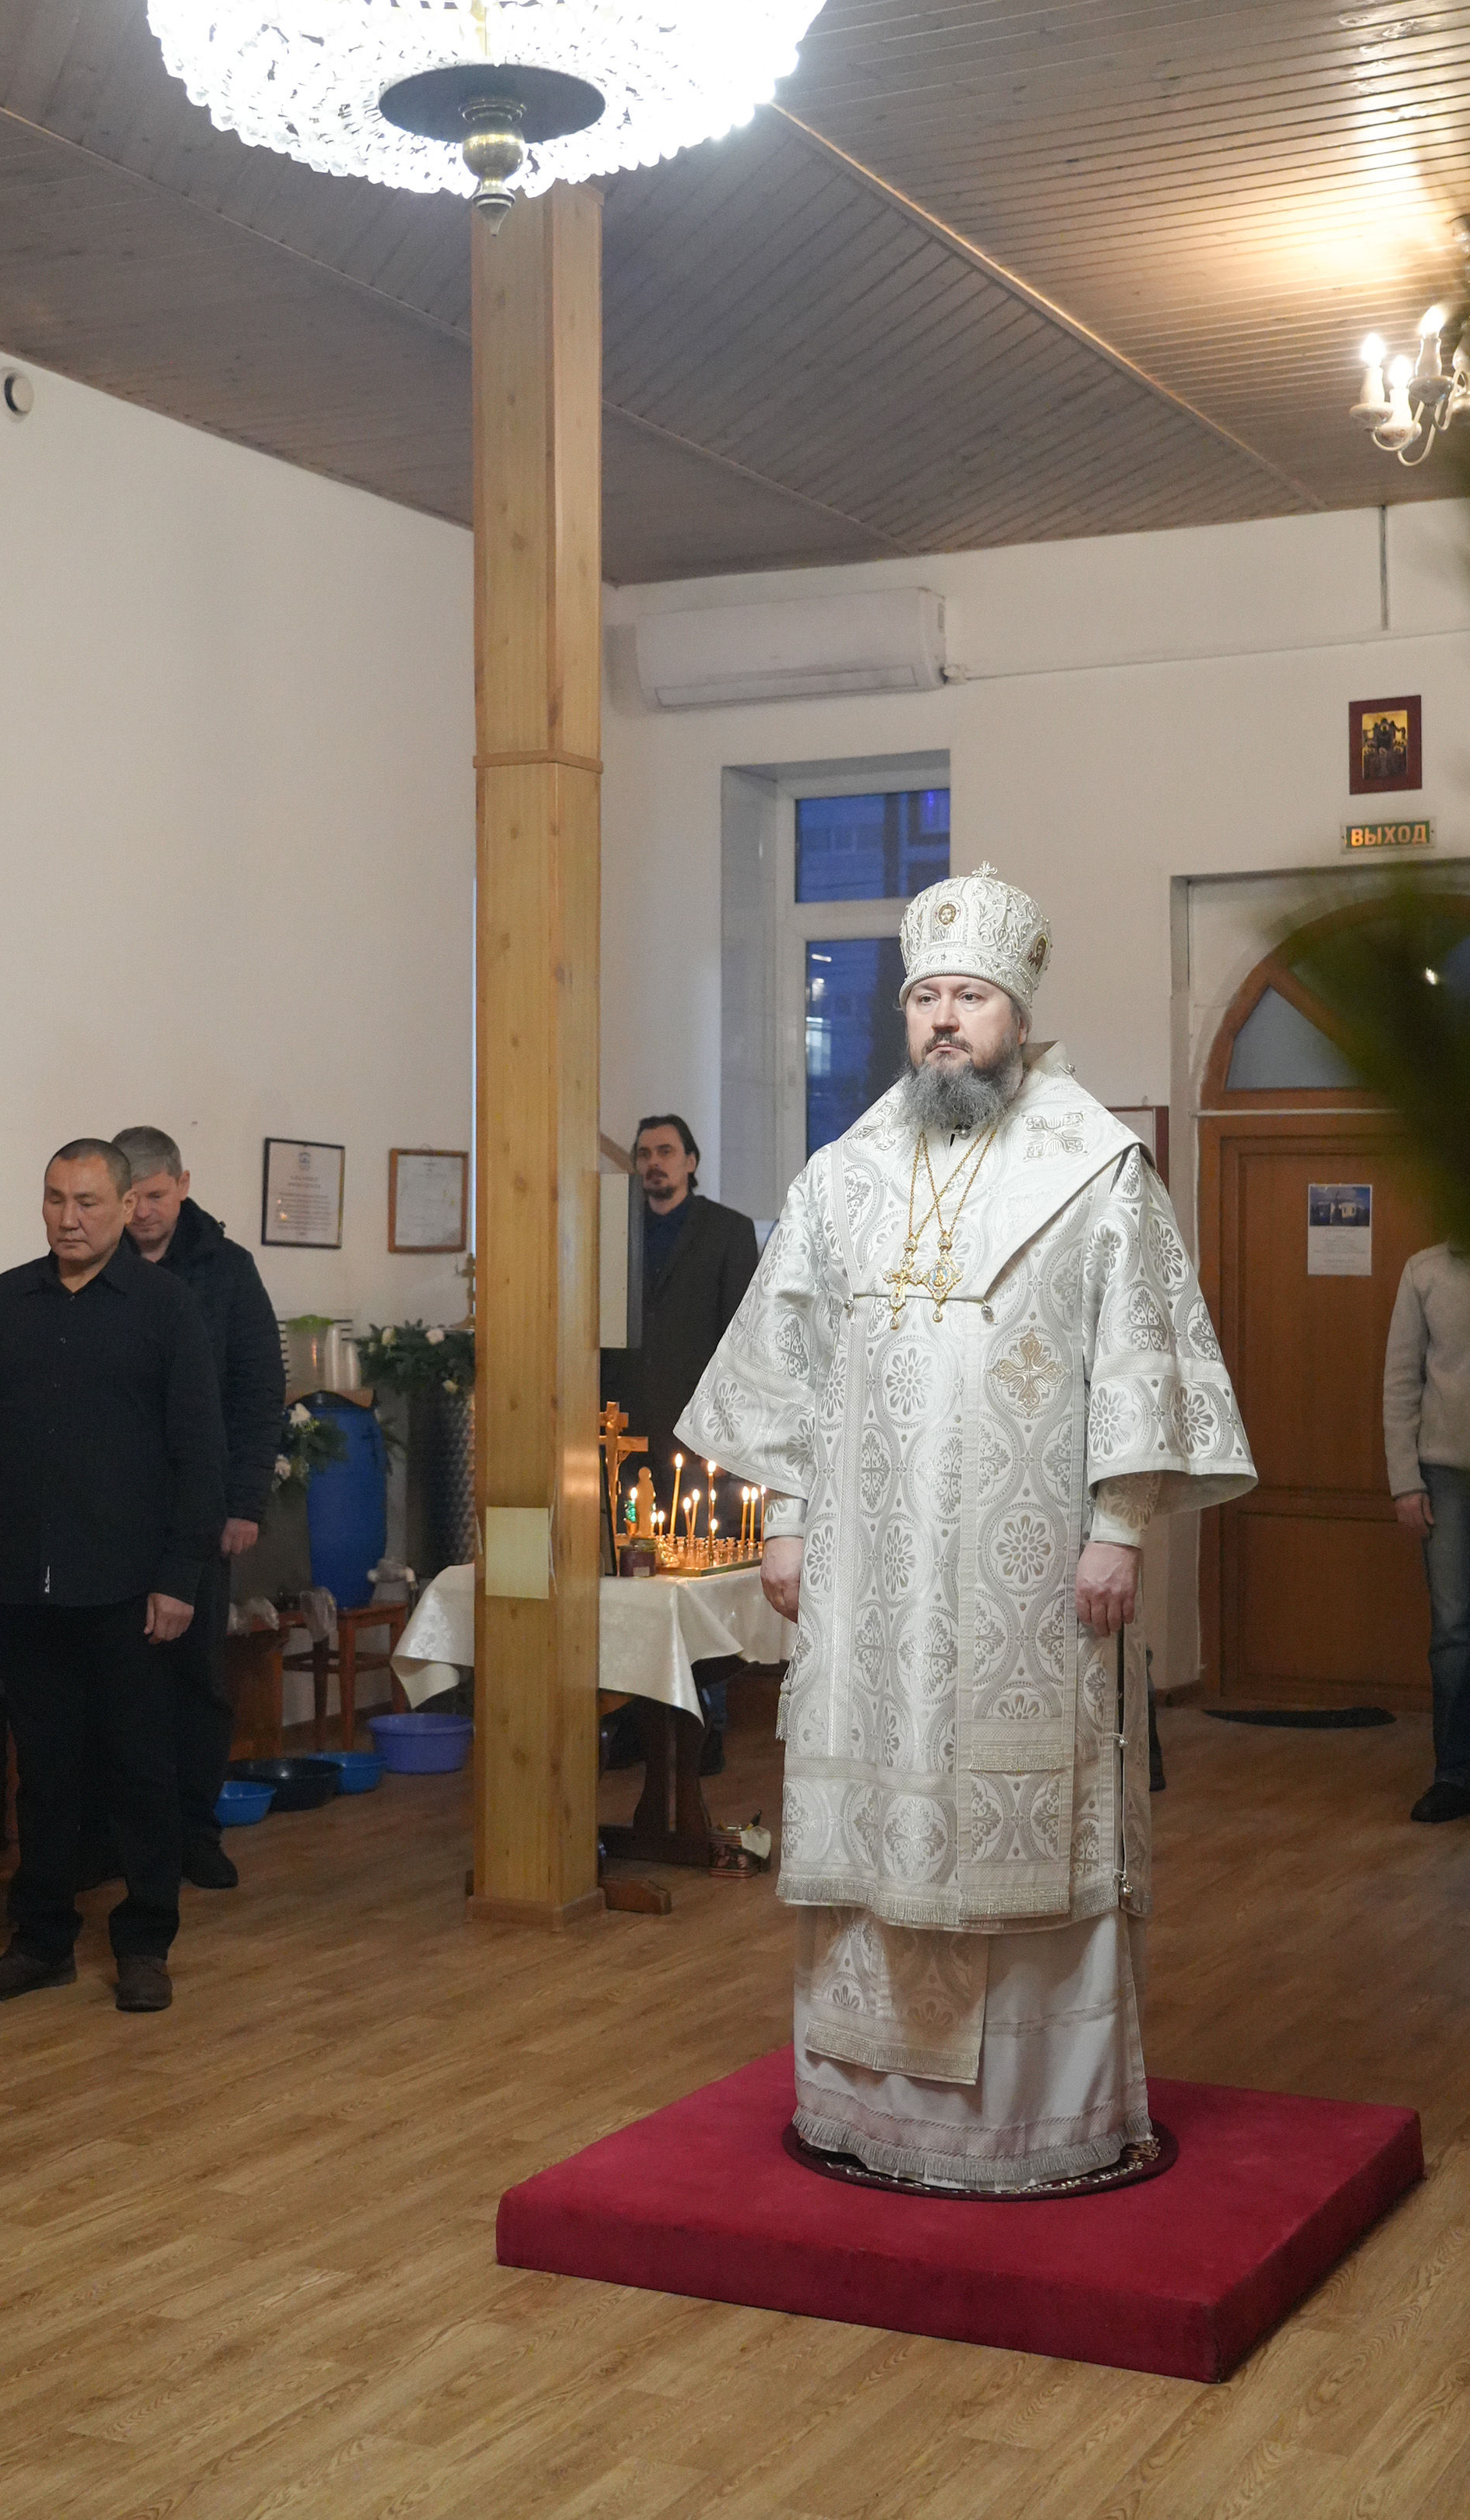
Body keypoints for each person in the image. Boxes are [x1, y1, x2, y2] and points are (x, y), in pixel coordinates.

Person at [678, 865, 1256, 2192]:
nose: (944, 1018)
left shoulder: (1095, 1169)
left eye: (970, 997)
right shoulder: (842, 1176)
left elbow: (1136, 1359)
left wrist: (1118, 1523)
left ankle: (1028, 2126)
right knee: (875, 1823)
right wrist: (785, 1519)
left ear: (1017, 1014)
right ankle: (866, 2113)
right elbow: (790, 1366)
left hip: (1027, 1582)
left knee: (1023, 1823)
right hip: (871, 1584)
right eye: (925, 996)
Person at [0, 1140, 224, 2014]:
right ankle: (41, 1941)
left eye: (89, 1202)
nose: (69, 1219)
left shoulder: (165, 1307)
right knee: (45, 1771)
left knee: (140, 1770)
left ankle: (144, 1942)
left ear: (127, 1206)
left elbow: (200, 1453)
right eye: (55, 1199)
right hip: (26, 1581)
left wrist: (180, 1576)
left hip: (132, 1587)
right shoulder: (8, 1300)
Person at [111, 1125, 285, 1888]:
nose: (144, 1211)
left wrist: (243, 1502)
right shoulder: (96, 1262)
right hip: (112, 1507)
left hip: (200, 1504)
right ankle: (115, 1834)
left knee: (197, 1678)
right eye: (131, 1198)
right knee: (117, 1676)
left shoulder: (227, 1268)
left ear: (182, 1185)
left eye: (156, 1195)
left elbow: (257, 1392)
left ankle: (194, 1829)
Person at [623, 1115, 760, 1770]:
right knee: (632, 1573)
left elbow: (742, 1333)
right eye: (644, 1153)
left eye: (666, 1151)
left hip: (697, 1427)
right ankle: (635, 1718)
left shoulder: (726, 1230)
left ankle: (705, 1722)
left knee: (698, 1573)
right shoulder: (617, 1228)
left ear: (691, 1161)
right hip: (624, 1429)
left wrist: (726, 1426)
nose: (654, 1162)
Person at [1384, 1242, 1470, 1822]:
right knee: (1453, 1630)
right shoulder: (1425, 1270)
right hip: (1445, 1476)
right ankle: (1454, 1775)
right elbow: (1400, 1382)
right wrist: (1404, 1482)